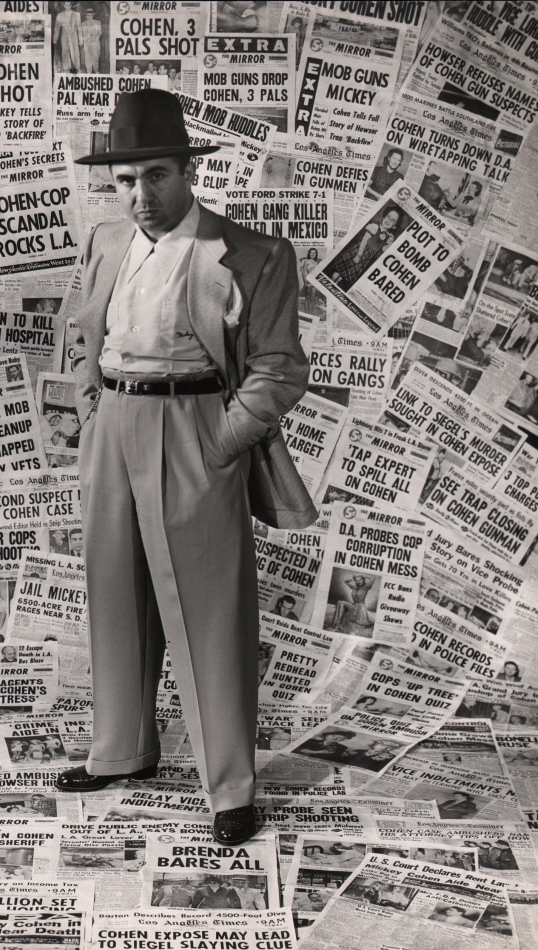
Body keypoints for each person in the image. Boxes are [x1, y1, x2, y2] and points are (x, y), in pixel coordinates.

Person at [54, 89, 316, 846]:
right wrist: (94, 413)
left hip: (194, 426)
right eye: (126, 181)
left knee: (208, 612)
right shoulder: (104, 241)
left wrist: (220, 443)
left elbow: (277, 366)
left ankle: (229, 786)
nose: (141, 197)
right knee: (114, 593)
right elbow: (85, 334)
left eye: (157, 176)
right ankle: (123, 752)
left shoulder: (253, 254)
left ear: (186, 171)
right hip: (114, 426)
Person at [328, 206, 401, 290]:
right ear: (384, 216)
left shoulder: (388, 237)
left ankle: (334, 286)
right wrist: (358, 255)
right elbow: (364, 241)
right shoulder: (374, 227)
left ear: (394, 226)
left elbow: (383, 250)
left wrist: (391, 244)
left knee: (345, 276)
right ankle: (330, 283)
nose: (388, 220)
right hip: (358, 252)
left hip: (365, 260)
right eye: (388, 217)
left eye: (393, 220)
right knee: (339, 272)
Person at [54, 1, 82, 72]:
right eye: (66, 5)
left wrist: (81, 39)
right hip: (64, 35)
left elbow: (79, 27)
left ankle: (77, 67)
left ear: (71, 5)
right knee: (65, 51)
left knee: (75, 51)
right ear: (64, 5)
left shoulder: (77, 14)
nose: (68, 6)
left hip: (74, 35)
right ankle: (66, 68)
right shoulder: (60, 15)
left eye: (69, 5)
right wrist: (55, 39)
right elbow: (57, 28)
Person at [81, 7, 102, 72]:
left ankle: (96, 71)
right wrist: (86, 38)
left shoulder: (97, 22)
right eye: (88, 15)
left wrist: (96, 38)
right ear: (86, 16)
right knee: (87, 58)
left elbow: (100, 32)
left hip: (95, 43)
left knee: (95, 57)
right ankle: (89, 71)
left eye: (91, 15)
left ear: (93, 15)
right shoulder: (83, 24)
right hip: (87, 43)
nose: (89, 17)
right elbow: (82, 34)